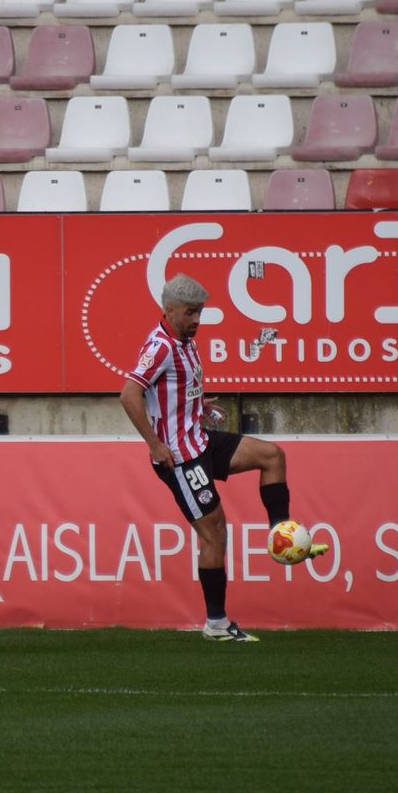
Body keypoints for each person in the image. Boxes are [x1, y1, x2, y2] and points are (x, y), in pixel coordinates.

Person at [119, 274, 327, 644]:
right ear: (169, 311)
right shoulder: (160, 346)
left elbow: (174, 391)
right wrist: (154, 444)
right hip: (179, 457)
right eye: (190, 312)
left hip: (201, 439)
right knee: (214, 532)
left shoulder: (185, 341)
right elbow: (129, 393)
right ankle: (216, 624)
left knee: (271, 455)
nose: (198, 319)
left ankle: (282, 535)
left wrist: (198, 405)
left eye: (200, 311)